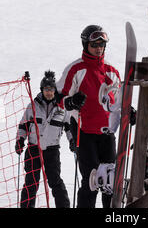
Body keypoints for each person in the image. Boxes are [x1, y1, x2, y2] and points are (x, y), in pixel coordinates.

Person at [56, 25, 121, 208]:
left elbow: (119, 101)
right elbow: (59, 97)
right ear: (86, 44)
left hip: (107, 133)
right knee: (92, 180)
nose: (98, 48)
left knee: (110, 182)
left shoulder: (112, 71)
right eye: (94, 44)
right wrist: (70, 102)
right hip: (84, 133)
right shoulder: (76, 69)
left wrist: (128, 111)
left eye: (101, 44)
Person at [15, 71, 72, 208]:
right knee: (31, 182)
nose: (49, 92)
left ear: (54, 90)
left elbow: (69, 128)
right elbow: (23, 125)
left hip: (52, 150)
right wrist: (20, 140)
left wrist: (72, 142)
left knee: (55, 181)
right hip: (34, 148)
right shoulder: (33, 106)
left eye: (51, 89)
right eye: (46, 89)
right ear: (42, 90)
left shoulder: (62, 108)